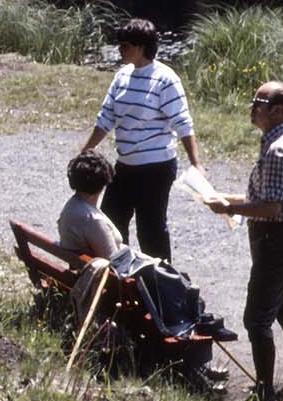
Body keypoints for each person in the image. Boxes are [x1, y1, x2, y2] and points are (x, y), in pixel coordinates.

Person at [210, 80, 283, 401]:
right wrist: (222, 198)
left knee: (257, 319)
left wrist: (229, 208)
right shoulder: (282, 140)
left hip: (277, 241)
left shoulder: (278, 150)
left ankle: (265, 393)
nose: (252, 107)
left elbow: (271, 208)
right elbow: (265, 199)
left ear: (277, 110)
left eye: (259, 102)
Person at [58, 150, 233, 342]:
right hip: (113, 281)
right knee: (174, 278)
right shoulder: (92, 219)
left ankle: (201, 319)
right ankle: (198, 323)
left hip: (85, 270)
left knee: (166, 270)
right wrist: (153, 262)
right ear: (103, 184)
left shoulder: (72, 207)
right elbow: (116, 263)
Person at [78, 18, 201, 262]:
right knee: (111, 220)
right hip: (125, 165)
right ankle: (120, 274)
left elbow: (183, 123)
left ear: (142, 47)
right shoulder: (122, 76)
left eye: (125, 46)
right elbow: (106, 118)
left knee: (151, 229)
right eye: (119, 45)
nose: (120, 50)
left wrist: (196, 163)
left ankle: (160, 283)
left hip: (157, 168)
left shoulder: (165, 79)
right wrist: (86, 150)